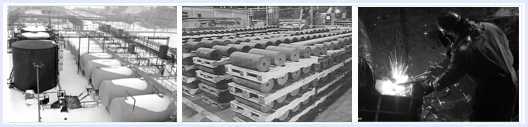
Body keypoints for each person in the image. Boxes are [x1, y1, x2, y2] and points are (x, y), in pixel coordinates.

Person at [423, 12, 518, 121]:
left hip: (492, 88)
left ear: (449, 33)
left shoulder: (463, 49)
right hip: (512, 80)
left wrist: (432, 86)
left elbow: (452, 74)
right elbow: (505, 48)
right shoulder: (490, 27)